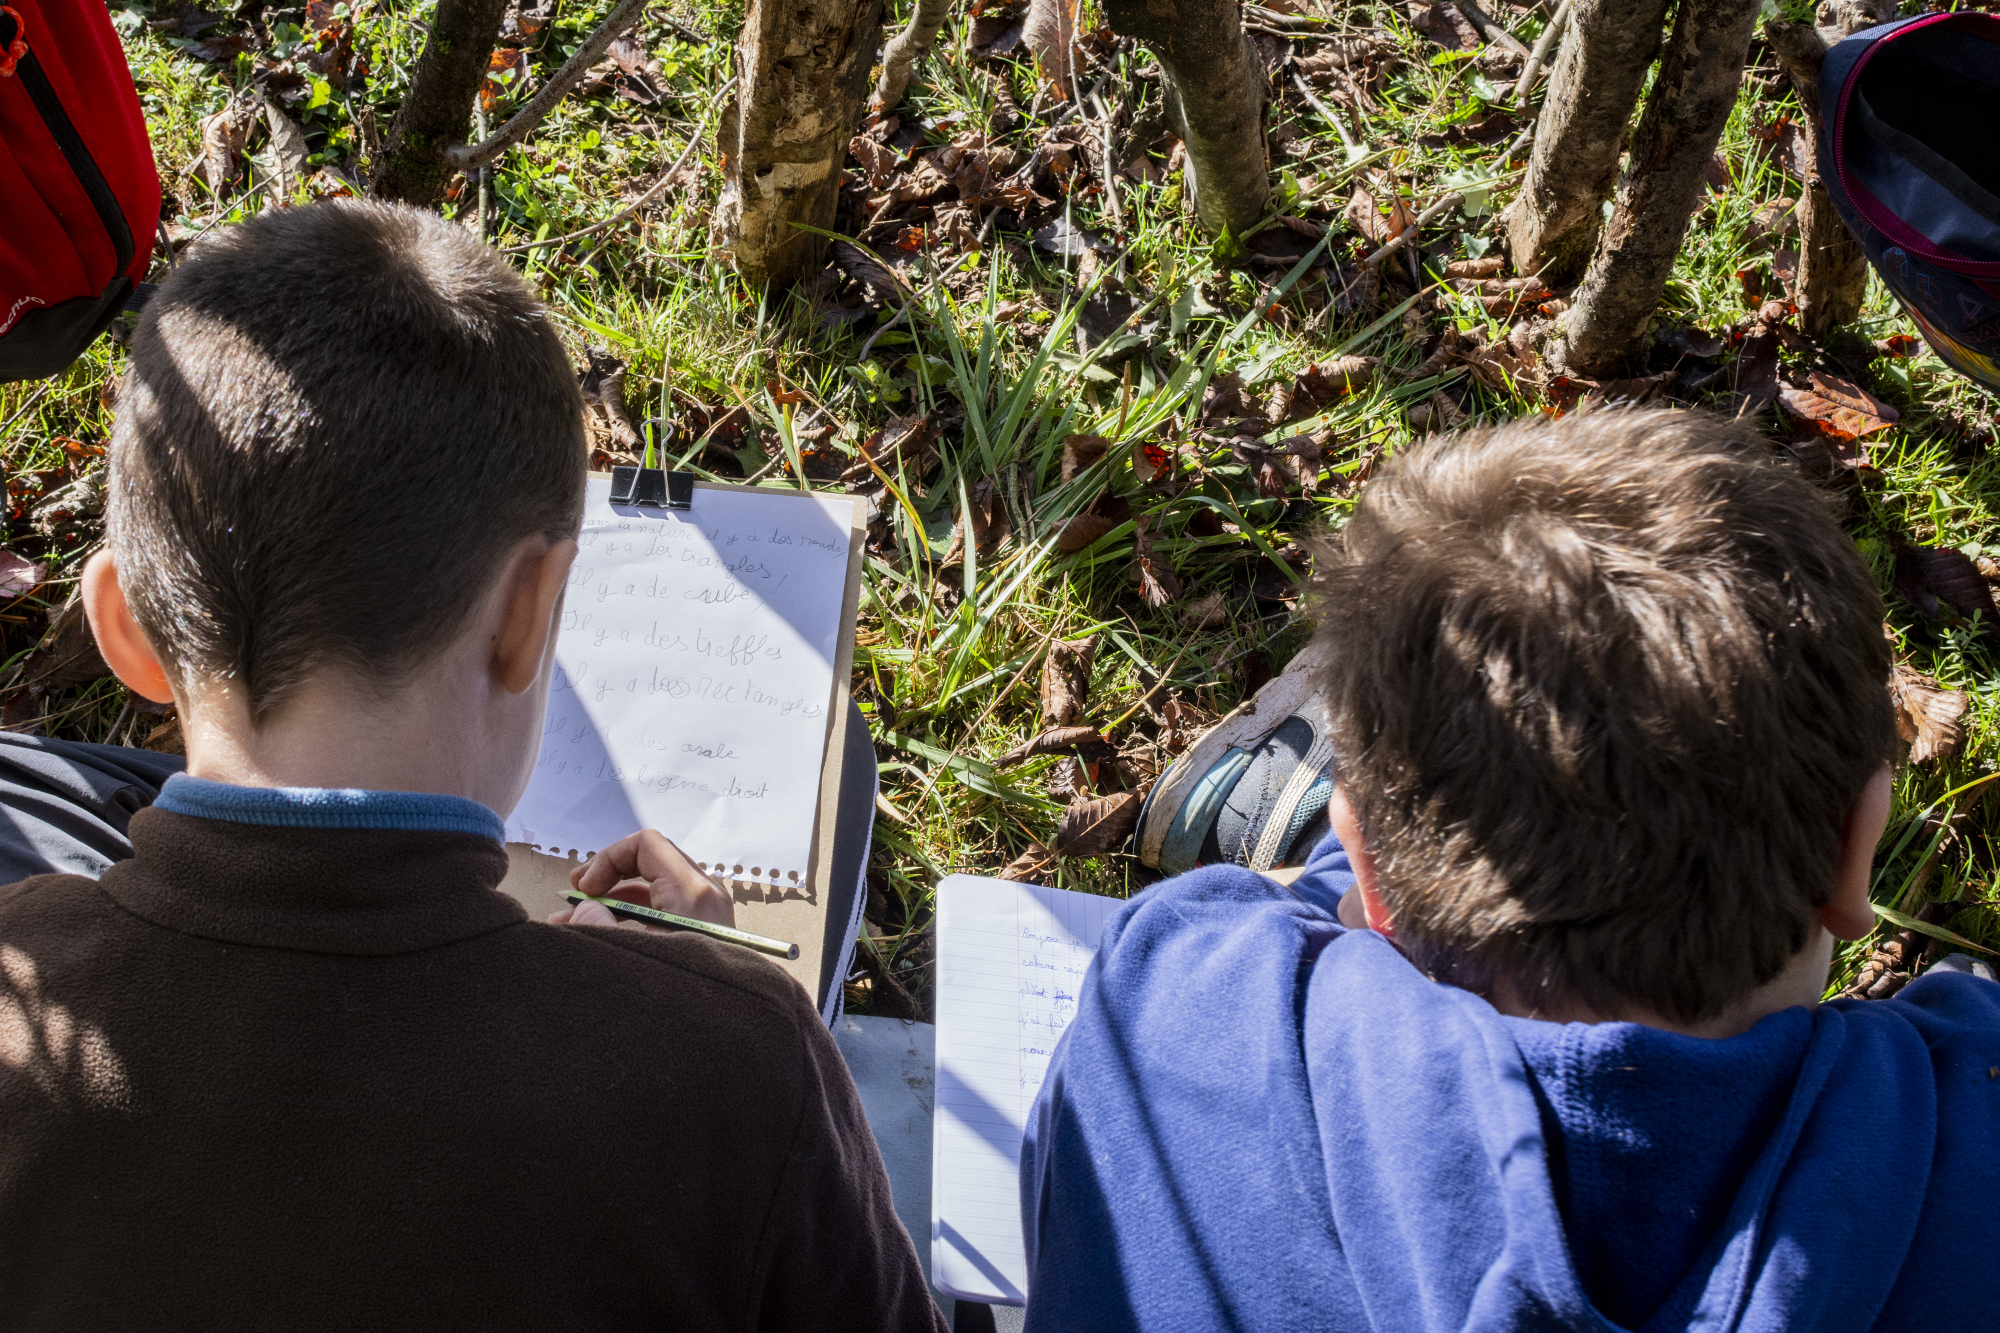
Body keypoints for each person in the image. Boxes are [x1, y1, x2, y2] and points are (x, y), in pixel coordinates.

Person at [0, 199, 943, 1331]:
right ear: (530, 613)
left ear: (123, 627)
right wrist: (683, 1001)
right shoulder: (735, 1079)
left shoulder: (22, 997)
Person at [1024, 410, 2000, 1331]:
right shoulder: (1970, 1121)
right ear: (1857, 841)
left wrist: (1354, 858)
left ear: (1358, 848)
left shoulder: (1170, 1002)